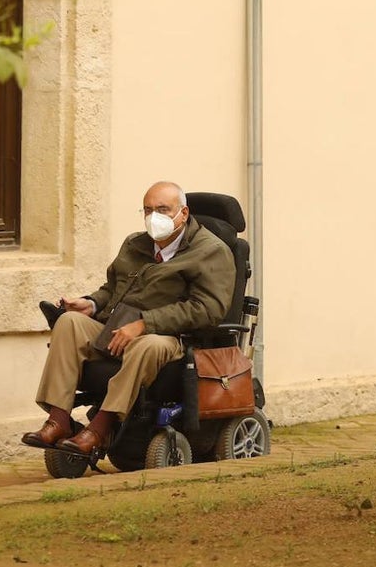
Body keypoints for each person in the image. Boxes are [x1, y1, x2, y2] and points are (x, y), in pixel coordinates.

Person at [22, 180, 235, 456]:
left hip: (172, 340)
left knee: (149, 344)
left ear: (183, 214)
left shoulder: (211, 251)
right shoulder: (136, 244)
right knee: (69, 323)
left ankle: (99, 428)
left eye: (162, 209)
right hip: (119, 327)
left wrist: (145, 324)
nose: (153, 217)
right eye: (147, 210)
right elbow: (112, 289)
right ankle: (59, 420)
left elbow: (208, 309)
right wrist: (91, 304)